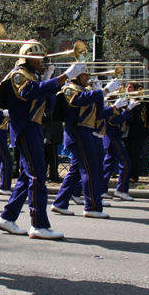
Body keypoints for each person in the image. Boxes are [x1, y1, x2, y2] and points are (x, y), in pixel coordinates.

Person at [0, 41, 83, 239]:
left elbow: (49, 106)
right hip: (24, 126)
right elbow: (28, 93)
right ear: (26, 58)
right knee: (37, 175)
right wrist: (63, 77)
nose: (41, 61)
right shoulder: (18, 74)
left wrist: (49, 81)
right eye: (37, 57)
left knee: (29, 175)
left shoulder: (34, 76)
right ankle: (38, 224)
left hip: (33, 126)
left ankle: (7, 218)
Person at [50, 71, 117, 218]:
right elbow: (79, 100)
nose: (89, 77)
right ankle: (92, 207)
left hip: (86, 131)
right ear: (76, 76)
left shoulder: (85, 91)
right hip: (77, 131)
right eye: (85, 75)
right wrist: (104, 91)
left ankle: (60, 203)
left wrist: (105, 98)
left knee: (76, 171)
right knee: (90, 169)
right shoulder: (69, 88)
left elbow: (98, 115)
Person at [122, 81, 149, 183]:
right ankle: (126, 174)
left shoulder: (143, 101)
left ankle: (134, 175)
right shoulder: (124, 100)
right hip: (126, 131)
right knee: (126, 154)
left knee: (135, 154)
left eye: (130, 87)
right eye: (127, 86)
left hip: (137, 131)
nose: (127, 89)